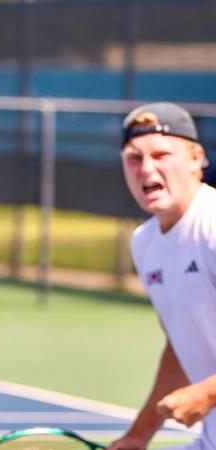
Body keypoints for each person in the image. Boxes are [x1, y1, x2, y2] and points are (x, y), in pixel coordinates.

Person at [108, 102, 216, 450]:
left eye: (161, 154)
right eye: (134, 158)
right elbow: (181, 343)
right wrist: (139, 434)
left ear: (196, 158)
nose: (146, 168)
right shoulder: (146, 243)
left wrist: (208, 392)